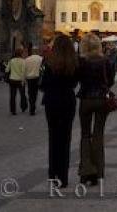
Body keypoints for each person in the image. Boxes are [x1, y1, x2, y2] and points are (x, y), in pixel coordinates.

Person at [40, 34, 79, 188]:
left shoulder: (48, 61)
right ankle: (63, 177)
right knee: (65, 138)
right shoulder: (74, 62)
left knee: (53, 137)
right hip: (68, 100)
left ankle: (52, 175)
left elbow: (42, 84)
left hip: (52, 101)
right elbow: (75, 82)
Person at [78, 33, 114, 186]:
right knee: (98, 133)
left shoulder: (81, 61)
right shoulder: (106, 61)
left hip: (85, 99)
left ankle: (86, 171)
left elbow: (77, 79)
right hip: (101, 99)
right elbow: (111, 80)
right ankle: (98, 171)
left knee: (85, 135)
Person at [5, 47, 27, 115]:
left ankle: (13, 110)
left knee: (12, 96)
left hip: (12, 80)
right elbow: (23, 72)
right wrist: (23, 81)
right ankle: (23, 107)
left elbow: (7, 70)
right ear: (21, 53)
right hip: (20, 80)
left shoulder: (11, 60)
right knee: (22, 95)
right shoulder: (23, 61)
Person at [25, 47, 43, 115]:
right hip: (37, 77)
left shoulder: (27, 59)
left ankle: (31, 107)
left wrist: (24, 79)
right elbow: (42, 68)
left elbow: (25, 69)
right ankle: (33, 107)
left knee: (30, 93)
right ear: (37, 51)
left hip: (29, 78)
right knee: (35, 93)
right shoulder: (40, 59)